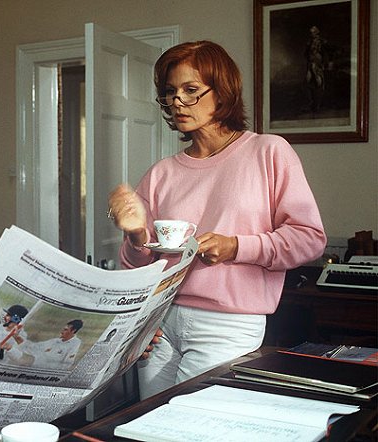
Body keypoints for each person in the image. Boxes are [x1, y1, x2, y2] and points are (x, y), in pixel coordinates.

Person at [107, 41, 326, 400]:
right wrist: (134, 237)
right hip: (161, 322)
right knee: (150, 424)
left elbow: (309, 238)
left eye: (191, 90)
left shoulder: (268, 152)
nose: (178, 101)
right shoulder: (161, 173)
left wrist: (236, 246)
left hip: (226, 326)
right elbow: (135, 265)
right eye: (170, 92)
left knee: (197, 427)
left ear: (222, 91)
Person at [6, 319, 84, 370]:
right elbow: (34, 347)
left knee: (23, 360)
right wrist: (16, 337)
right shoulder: (55, 341)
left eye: (65, 330)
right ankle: (10, 349)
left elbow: (66, 365)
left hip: (43, 370)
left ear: (73, 331)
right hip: (34, 364)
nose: (62, 331)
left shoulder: (75, 343)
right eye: (63, 329)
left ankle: (10, 350)